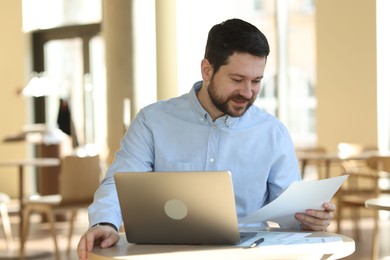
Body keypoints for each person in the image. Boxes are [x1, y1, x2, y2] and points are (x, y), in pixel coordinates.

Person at [77, 18, 335, 259]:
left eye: (256, 81)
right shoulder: (152, 121)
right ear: (207, 70)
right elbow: (118, 183)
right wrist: (105, 222)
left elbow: (289, 212)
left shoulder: (272, 133)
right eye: (237, 79)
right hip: (166, 254)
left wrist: (309, 219)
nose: (247, 92)